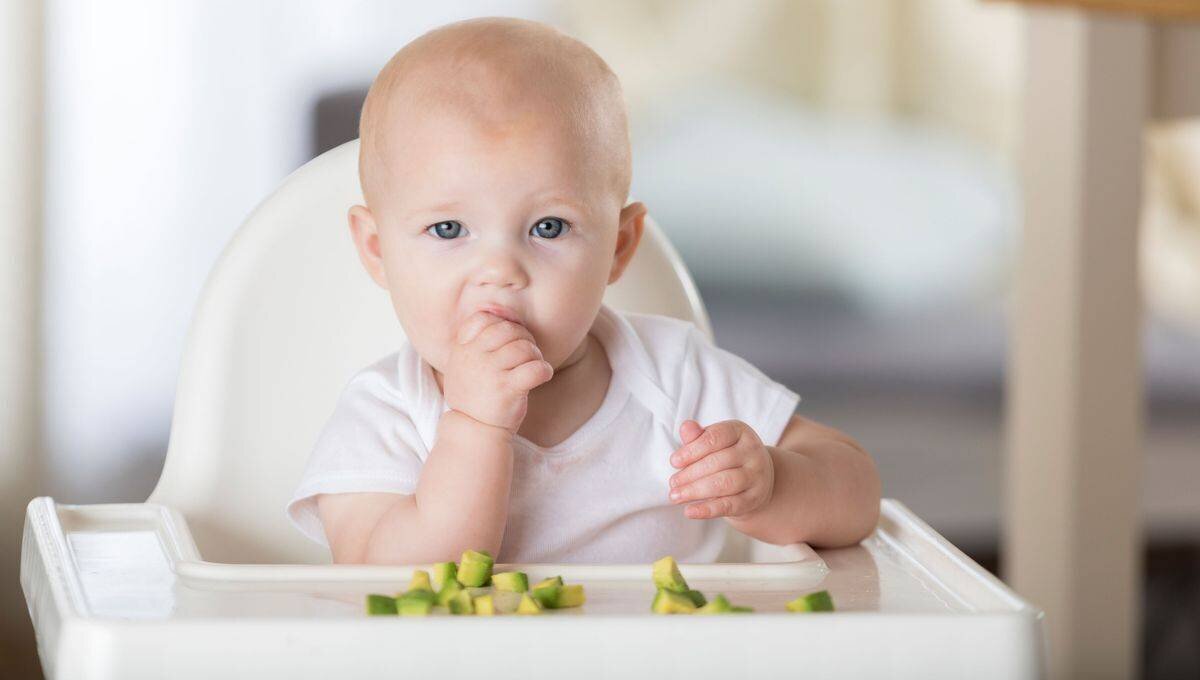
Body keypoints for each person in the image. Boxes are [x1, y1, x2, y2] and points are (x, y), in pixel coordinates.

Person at [285, 16, 881, 565]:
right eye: (448, 229)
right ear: (377, 250)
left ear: (619, 246)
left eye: (548, 227)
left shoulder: (675, 377)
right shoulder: (385, 414)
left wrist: (773, 484)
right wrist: (473, 427)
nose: (500, 271)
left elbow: (856, 492)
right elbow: (383, 578)